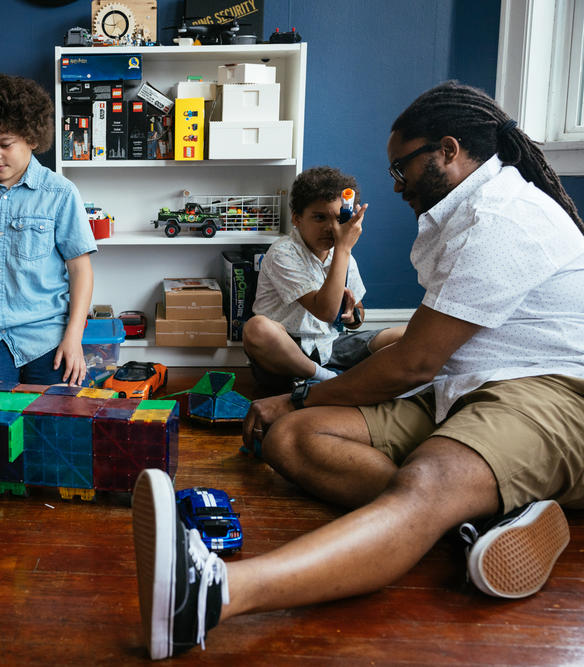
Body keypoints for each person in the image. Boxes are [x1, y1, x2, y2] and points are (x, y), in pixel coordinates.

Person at [131, 80, 584, 660]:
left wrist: (299, 395)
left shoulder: (503, 217)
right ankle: (489, 519)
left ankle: (212, 593)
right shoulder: (460, 216)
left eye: (403, 169)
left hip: (543, 391)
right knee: (291, 439)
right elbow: (415, 353)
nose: (395, 186)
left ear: (447, 151)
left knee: (426, 480)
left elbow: (413, 359)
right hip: (461, 388)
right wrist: (302, 406)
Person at [0, 73, 96, 385]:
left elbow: (81, 271)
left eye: (5, 144)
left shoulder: (60, 193)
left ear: (32, 139)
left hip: (47, 333)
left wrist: (73, 338)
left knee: (56, 420)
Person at [243, 166, 405, 390]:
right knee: (256, 328)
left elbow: (357, 311)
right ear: (297, 219)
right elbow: (325, 311)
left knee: (404, 334)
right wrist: (343, 249)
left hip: (329, 346)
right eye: (319, 218)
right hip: (288, 351)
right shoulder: (284, 252)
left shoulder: (343, 256)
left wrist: (353, 316)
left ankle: (330, 378)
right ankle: (325, 378)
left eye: (340, 219)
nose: (331, 228)